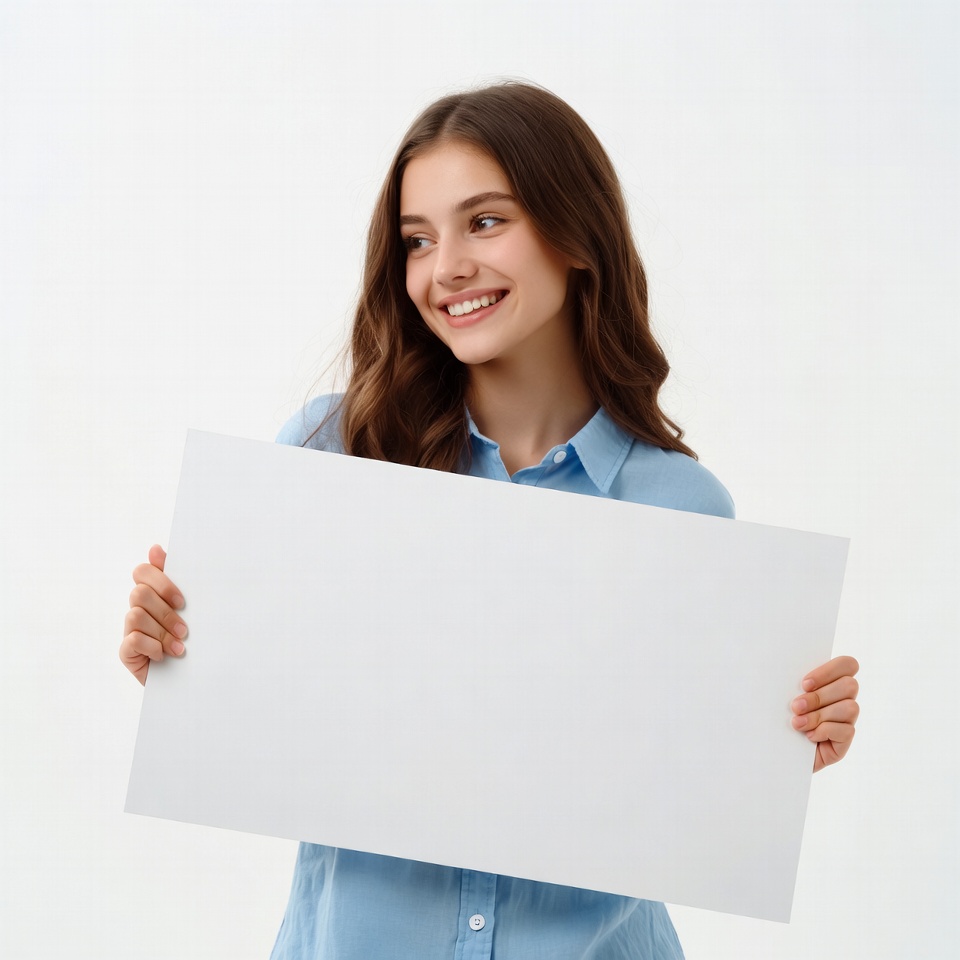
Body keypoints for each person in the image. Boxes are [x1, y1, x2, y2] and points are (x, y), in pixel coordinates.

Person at [120, 81, 860, 959]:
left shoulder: (684, 509)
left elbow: (685, 791)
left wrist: (786, 743)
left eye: (485, 222)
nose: (446, 269)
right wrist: (176, 650)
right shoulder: (332, 456)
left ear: (575, 233)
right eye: (418, 240)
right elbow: (254, 715)